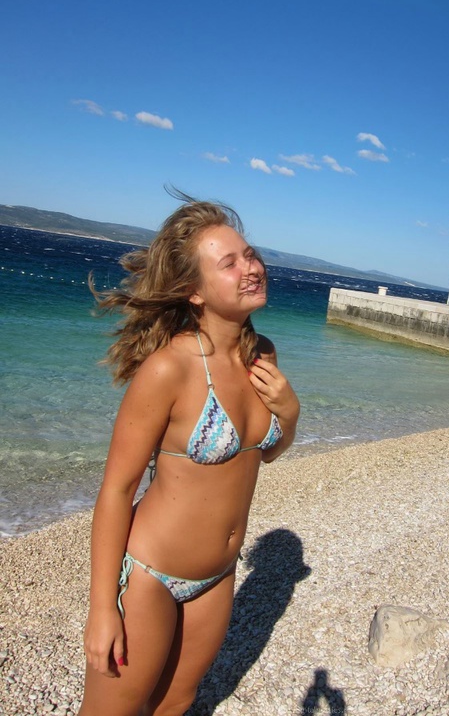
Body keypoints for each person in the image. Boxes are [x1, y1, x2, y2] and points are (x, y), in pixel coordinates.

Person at [79, 193, 300, 716]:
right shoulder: (169, 369)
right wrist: (102, 609)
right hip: (149, 575)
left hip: (217, 576)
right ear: (193, 291)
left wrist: (290, 413)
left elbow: (266, 454)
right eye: (230, 263)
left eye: (250, 254)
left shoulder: (262, 354)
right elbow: (117, 490)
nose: (251, 268)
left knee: (177, 702)